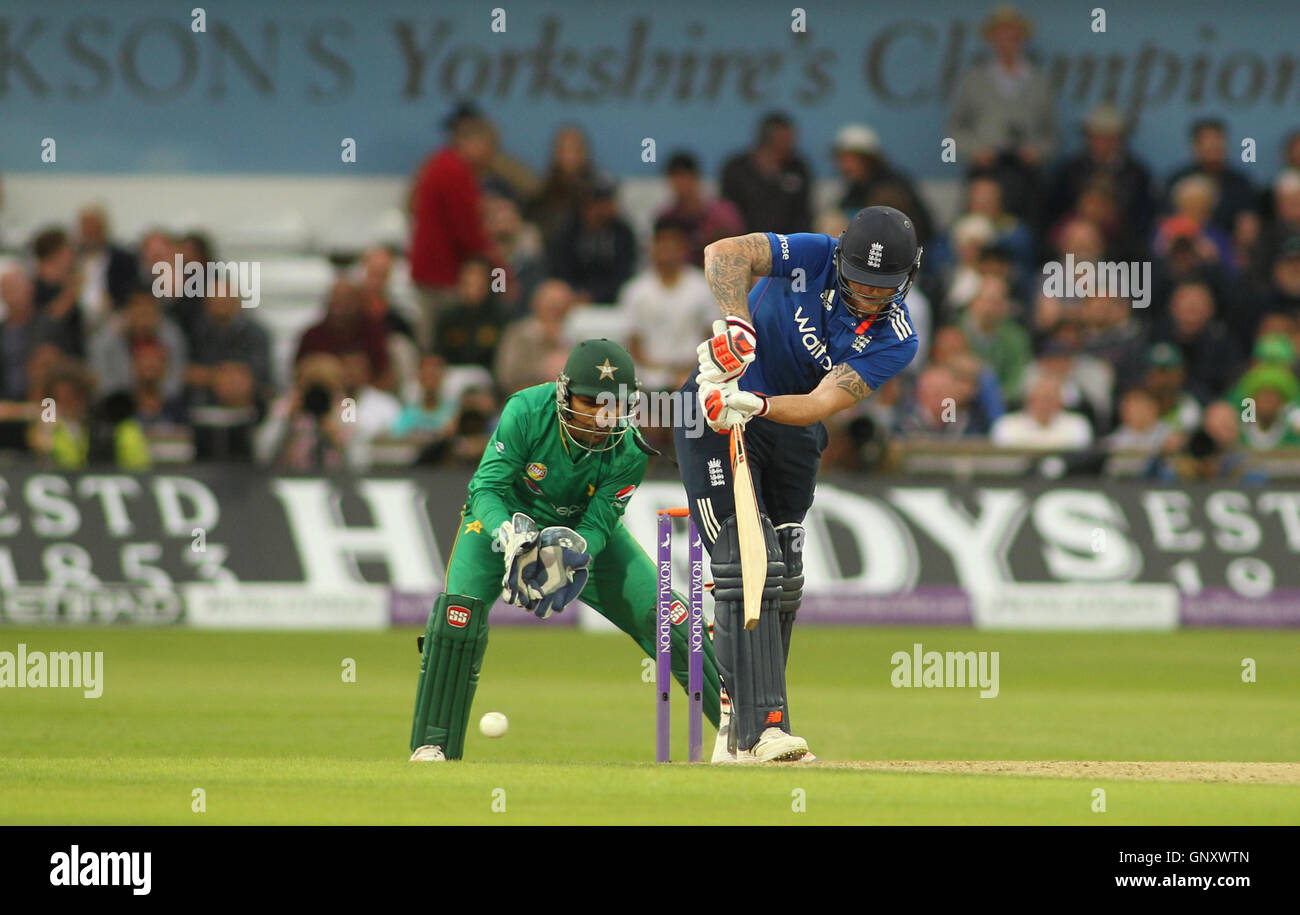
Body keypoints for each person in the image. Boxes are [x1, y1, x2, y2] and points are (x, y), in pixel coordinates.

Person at [677, 206, 922, 763]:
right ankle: (766, 729)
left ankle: (742, 725)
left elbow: (818, 403)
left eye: (882, 287)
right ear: (840, 258)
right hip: (712, 415)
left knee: (784, 569)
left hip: (787, 423)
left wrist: (758, 402)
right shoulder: (811, 255)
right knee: (746, 559)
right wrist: (737, 324)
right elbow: (724, 253)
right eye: (859, 280)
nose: (867, 295)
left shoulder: (897, 339)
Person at [409, 339, 723, 762]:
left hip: (578, 535)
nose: (600, 415)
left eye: (611, 404)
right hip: (500, 524)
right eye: (589, 402)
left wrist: (572, 551)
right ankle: (434, 746)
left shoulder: (629, 450)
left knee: (670, 617)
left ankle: (741, 732)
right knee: (456, 619)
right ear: (564, 392)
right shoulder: (526, 411)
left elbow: (598, 524)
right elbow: (485, 487)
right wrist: (508, 535)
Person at [619, 217, 715, 390]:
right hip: (648, 376)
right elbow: (632, 343)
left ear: (683, 248)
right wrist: (659, 369)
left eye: (673, 244)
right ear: (652, 247)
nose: (667, 250)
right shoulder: (635, 291)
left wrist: (689, 368)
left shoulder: (703, 287)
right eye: (662, 244)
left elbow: (711, 336)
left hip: (694, 373)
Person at [719, 112, 813, 235]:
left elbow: (803, 214)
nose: (791, 145)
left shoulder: (798, 169)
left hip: (787, 244)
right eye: (784, 140)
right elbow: (728, 213)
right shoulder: (736, 169)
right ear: (767, 141)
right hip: (744, 241)